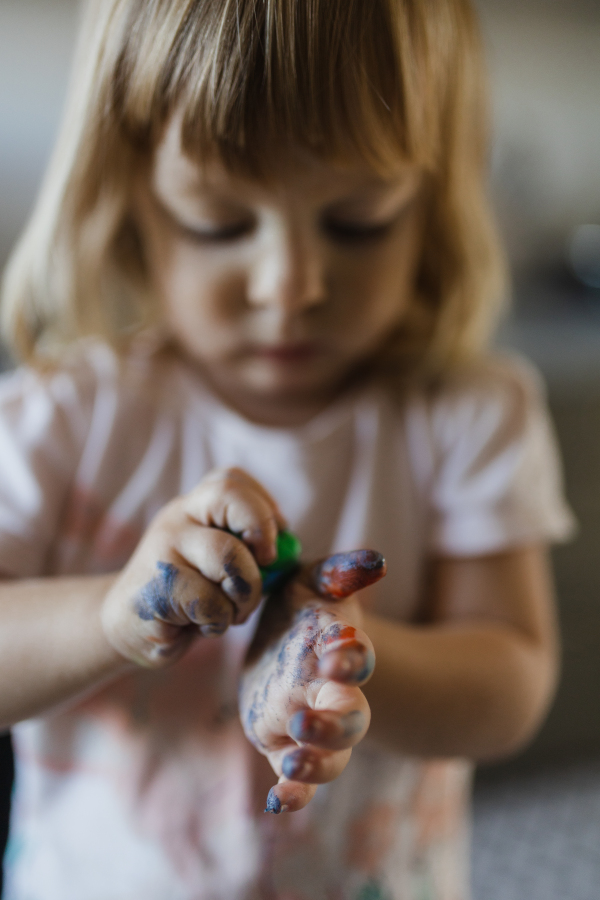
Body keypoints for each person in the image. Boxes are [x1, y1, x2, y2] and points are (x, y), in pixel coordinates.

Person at [0, 0, 575, 897]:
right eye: (220, 224)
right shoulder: (61, 419)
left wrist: (337, 646)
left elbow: (510, 683)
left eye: (359, 222)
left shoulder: (466, 414)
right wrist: (119, 617)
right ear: (127, 196)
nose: (290, 285)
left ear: (433, 202)